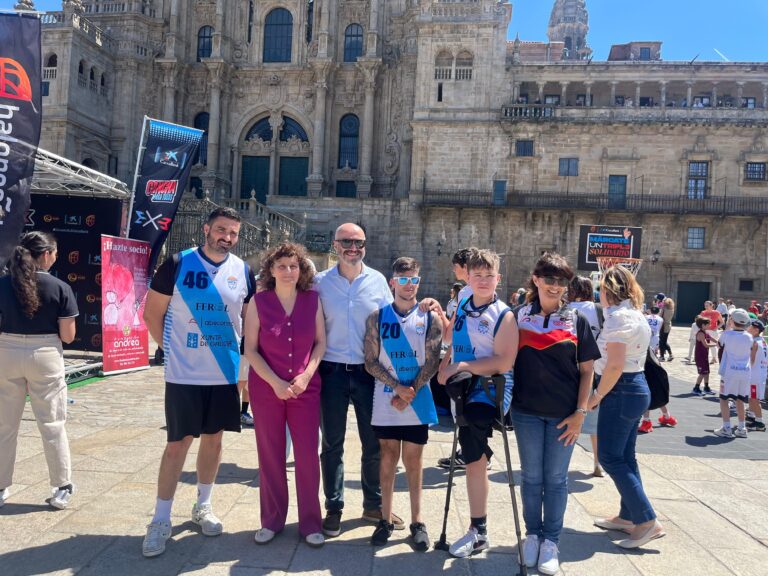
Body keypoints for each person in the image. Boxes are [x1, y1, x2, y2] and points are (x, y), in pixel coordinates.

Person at [141, 207, 256, 558]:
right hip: (184, 373)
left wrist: (245, 369)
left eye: (233, 233)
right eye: (221, 230)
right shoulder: (178, 262)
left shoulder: (243, 271)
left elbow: (248, 322)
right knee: (178, 443)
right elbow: (151, 313)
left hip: (224, 374)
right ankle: (160, 518)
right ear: (206, 229)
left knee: (214, 440)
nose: (227, 237)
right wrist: (171, 350)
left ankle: (202, 505)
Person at [512, 253, 599, 575]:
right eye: (549, 279)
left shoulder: (576, 320)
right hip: (526, 413)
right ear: (536, 279)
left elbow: (588, 371)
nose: (555, 286)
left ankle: (551, 541)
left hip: (565, 415)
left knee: (557, 480)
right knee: (532, 478)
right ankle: (532, 535)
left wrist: (580, 413)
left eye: (562, 281)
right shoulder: (517, 316)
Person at [314, 223, 403, 537]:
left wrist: (430, 308)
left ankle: (373, 504)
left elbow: (395, 319)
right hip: (332, 371)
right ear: (335, 244)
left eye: (359, 242)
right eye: (347, 242)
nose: (353, 247)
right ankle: (334, 507)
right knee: (332, 443)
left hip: (369, 373)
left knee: (373, 441)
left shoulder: (378, 281)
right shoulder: (319, 283)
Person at [244, 243, 326, 547]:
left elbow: (320, 344)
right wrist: (276, 383)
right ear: (271, 270)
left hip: (305, 390)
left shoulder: (312, 300)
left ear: (301, 269)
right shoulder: (258, 302)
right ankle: (272, 520)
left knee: (307, 457)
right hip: (267, 389)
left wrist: (305, 376)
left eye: (294, 266)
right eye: (282, 266)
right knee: (271, 455)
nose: (289, 271)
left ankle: (310, 523)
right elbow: (250, 350)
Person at [437, 249, 518, 559]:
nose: (483, 281)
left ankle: (479, 530)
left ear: (498, 278)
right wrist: (447, 364)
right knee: (472, 449)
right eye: (477, 275)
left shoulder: (504, 314)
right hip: (464, 383)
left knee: (472, 445)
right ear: (468, 278)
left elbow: (503, 361)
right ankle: (479, 455)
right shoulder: (464, 305)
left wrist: (462, 367)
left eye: (489, 276)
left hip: (491, 387)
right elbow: (453, 342)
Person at [363, 257, 442, 549]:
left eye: (414, 280)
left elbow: (433, 359)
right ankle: (384, 519)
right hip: (385, 398)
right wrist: (397, 387)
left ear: (419, 282)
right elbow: (370, 361)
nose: (409, 286)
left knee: (414, 462)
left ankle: (417, 522)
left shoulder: (429, 317)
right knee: (387, 458)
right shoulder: (377, 317)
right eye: (403, 280)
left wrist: (409, 391)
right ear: (392, 282)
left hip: (417, 400)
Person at [588, 265, 665, 549]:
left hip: (621, 390)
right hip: (635, 387)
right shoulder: (635, 314)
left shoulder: (619, 318)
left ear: (607, 291)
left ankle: (646, 520)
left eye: (601, 290)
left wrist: (595, 396)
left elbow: (615, 365)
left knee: (610, 457)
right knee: (626, 456)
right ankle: (628, 515)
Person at [0, 232, 78, 510]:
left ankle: (0, 486)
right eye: (55, 253)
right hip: (44, 354)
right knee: (52, 424)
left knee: (5, 425)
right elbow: (67, 336)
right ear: (45, 254)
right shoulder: (59, 287)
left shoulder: (3, 284)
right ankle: (61, 486)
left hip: (6, 351)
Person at [567, 275, 604, 477]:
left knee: (566, 417)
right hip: (594, 369)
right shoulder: (598, 310)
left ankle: (561, 462)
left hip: (567, 370)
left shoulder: (564, 309)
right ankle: (598, 463)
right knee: (595, 423)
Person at [714, 308, 753, 439]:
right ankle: (742, 428)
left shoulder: (727, 334)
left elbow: (719, 345)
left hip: (730, 371)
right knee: (740, 400)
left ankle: (726, 427)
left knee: (724, 399)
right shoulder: (749, 336)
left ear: (732, 320)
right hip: (745, 372)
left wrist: (727, 327)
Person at [747, 320, 767, 432]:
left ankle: (759, 423)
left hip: (755, 375)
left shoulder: (754, 342)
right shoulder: (762, 341)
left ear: (756, 330)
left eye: (750, 326)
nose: (748, 328)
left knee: (754, 399)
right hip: (761, 374)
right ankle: (751, 416)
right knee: (752, 397)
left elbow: (752, 361)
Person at [692, 316, 718, 396]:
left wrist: (719, 342)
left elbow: (712, 339)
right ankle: (696, 388)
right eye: (708, 324)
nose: (709, 326)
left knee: (707, 372)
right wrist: (716, 345)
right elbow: (706, 345)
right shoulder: (700, 334)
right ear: (703, 325)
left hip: (705, 356)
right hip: (700, 356)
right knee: (702, 373)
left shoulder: (705, 333)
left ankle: (706, 387)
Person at [658, 297, 675, 361]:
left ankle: (662, 356)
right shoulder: (672, 308)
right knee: (664, 341)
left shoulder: (664, 308)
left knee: (662, 342)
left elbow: (660, 316)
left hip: (663, 326)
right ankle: (670, 355)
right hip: (668, 325)